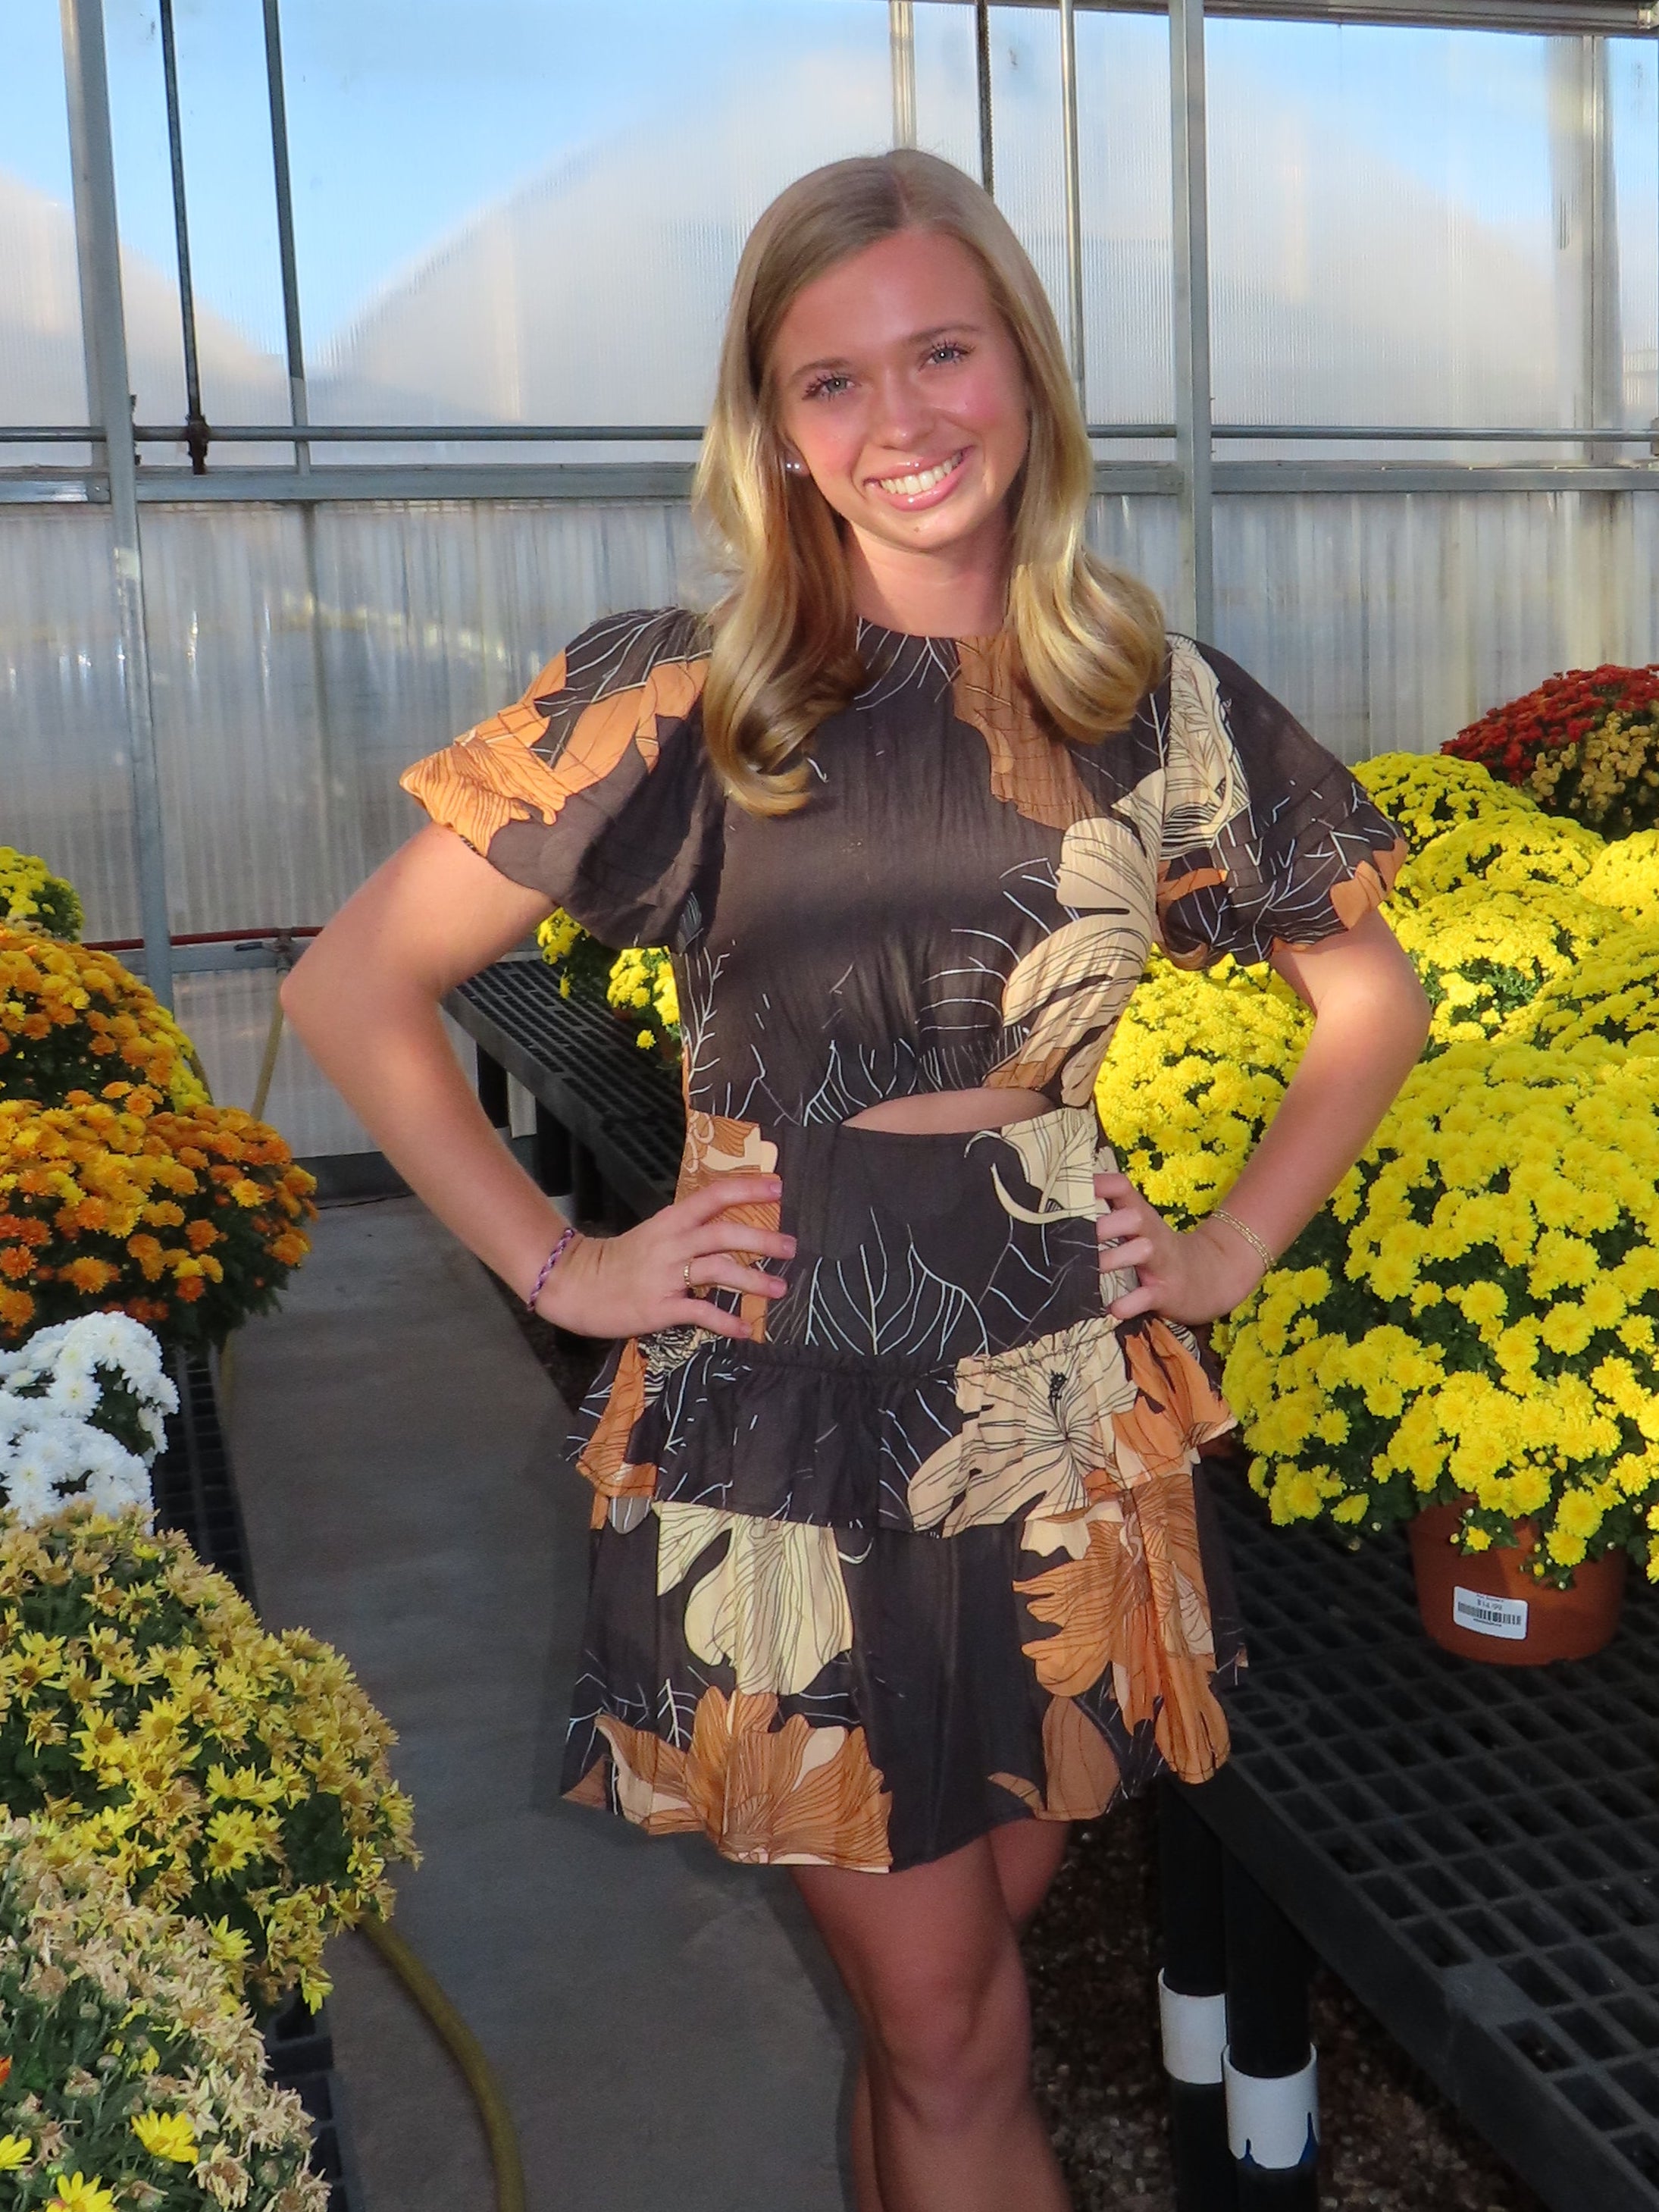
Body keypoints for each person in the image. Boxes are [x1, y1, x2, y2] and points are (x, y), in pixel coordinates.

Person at [283, 149, 1428, 2212]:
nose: (900, 420)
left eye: (941, 353)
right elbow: (353, 985)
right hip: (786, 1413)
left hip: (1060, 1407)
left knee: (952, 1995)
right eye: (832, 380)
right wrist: (565, 1264)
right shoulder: (688, 694)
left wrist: (1230, 1245)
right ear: (775, 427)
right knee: (958, 2034)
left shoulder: (1155, 702)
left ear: (1028, 369)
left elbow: (1369, 995)